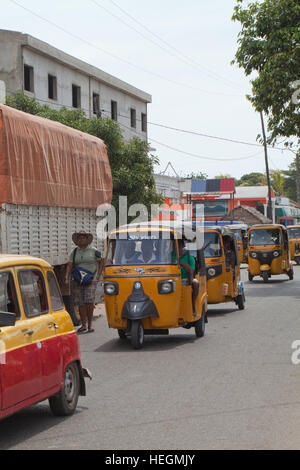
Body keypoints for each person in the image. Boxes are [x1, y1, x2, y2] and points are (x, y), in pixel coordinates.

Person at [65, 231, 103, 333]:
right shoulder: (75, 252)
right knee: (80, 303)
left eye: (83, 238)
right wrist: (66, 277)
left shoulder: (94, 251)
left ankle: (90, 325)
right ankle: (83, 325)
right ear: (77, 241)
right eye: (79, 238)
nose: (81, 239)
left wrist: (98, 275)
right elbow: (70, 265)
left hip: (90, 279)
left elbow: (101, 262)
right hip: (78, 280)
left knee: (89, 302)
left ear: (87, 240)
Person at [178, 238, 199, 314]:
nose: (178, 248)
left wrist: (183, 264)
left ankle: (193, 303)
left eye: (180, 245)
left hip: (185, 279)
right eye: (176, 245)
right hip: (172, 279)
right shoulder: (169, 256)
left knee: (195, 283)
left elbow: (191, 272)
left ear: (183, 246)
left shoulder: (190, 258)